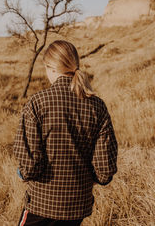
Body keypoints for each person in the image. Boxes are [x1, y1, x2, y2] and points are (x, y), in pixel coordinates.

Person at [13, 40, 118, 226]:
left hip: (41, 205)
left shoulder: (37, 103)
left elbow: (29, 167)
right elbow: (104, 170)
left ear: (51, 67)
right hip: (77, 207)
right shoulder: (98, 106)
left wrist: (22, 174)